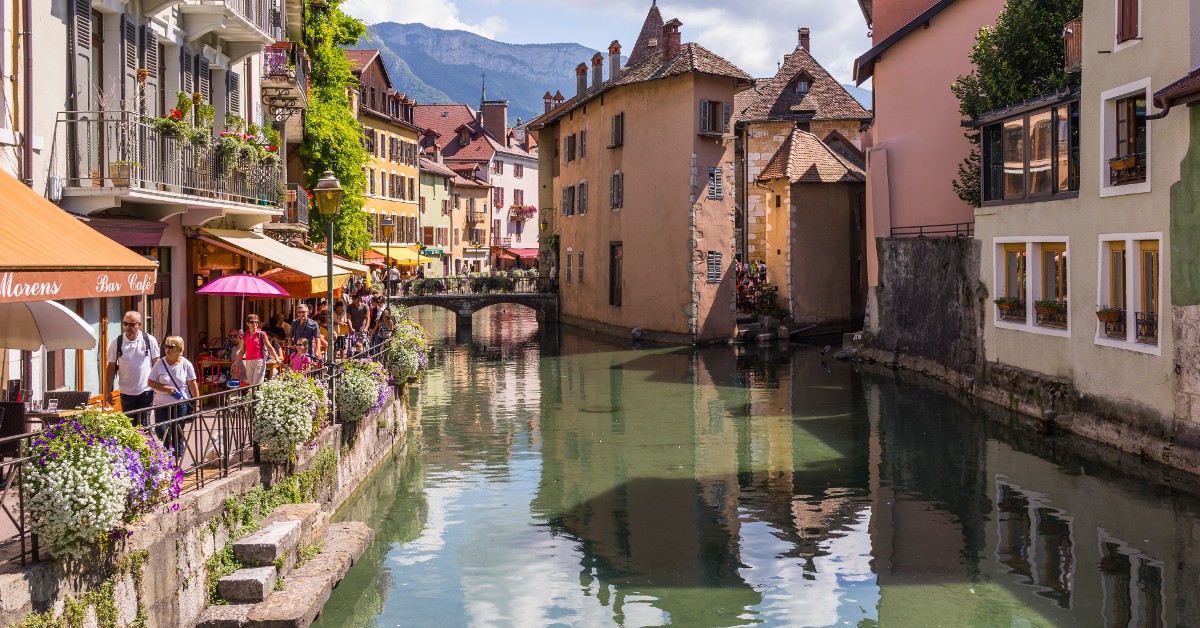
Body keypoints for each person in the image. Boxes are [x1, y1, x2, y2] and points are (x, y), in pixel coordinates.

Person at [146, 336, 199, 458]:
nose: (167, 349)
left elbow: (193, 385)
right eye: (166, 346)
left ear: (180, 349)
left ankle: (177, 461)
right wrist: (166, 389)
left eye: (171, 346)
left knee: (177, 432)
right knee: (161, 430)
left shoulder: (186, 364)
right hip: (161, 404)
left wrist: (196, 404)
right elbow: (150, 382)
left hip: (180, 404)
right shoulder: (159, 364)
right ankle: (167, 455)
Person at [104, 311, 161, 425]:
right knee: (129, 426)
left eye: (131, 324)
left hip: (146, 390)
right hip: (126, 392)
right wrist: (107, 391)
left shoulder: (149, 340)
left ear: (139, 324)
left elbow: (157, 363)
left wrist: (160, 386)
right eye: (125, 324)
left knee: (144, 425)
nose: (127, 327)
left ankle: (147, 443)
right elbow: (110, 367)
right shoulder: (117, 342)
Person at [240, 315, 281, 386]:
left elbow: (269, 347)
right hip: (248, 361)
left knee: (257, 384)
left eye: (256, 322)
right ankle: (253, 396)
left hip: (259, 361)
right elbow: (242, 350)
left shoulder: (261, 334)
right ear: (247, 324)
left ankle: (256, 397)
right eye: (252, 322)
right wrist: (236, 362)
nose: (254, 324)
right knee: (251, 384)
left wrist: (276, 358)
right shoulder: (245, 335)